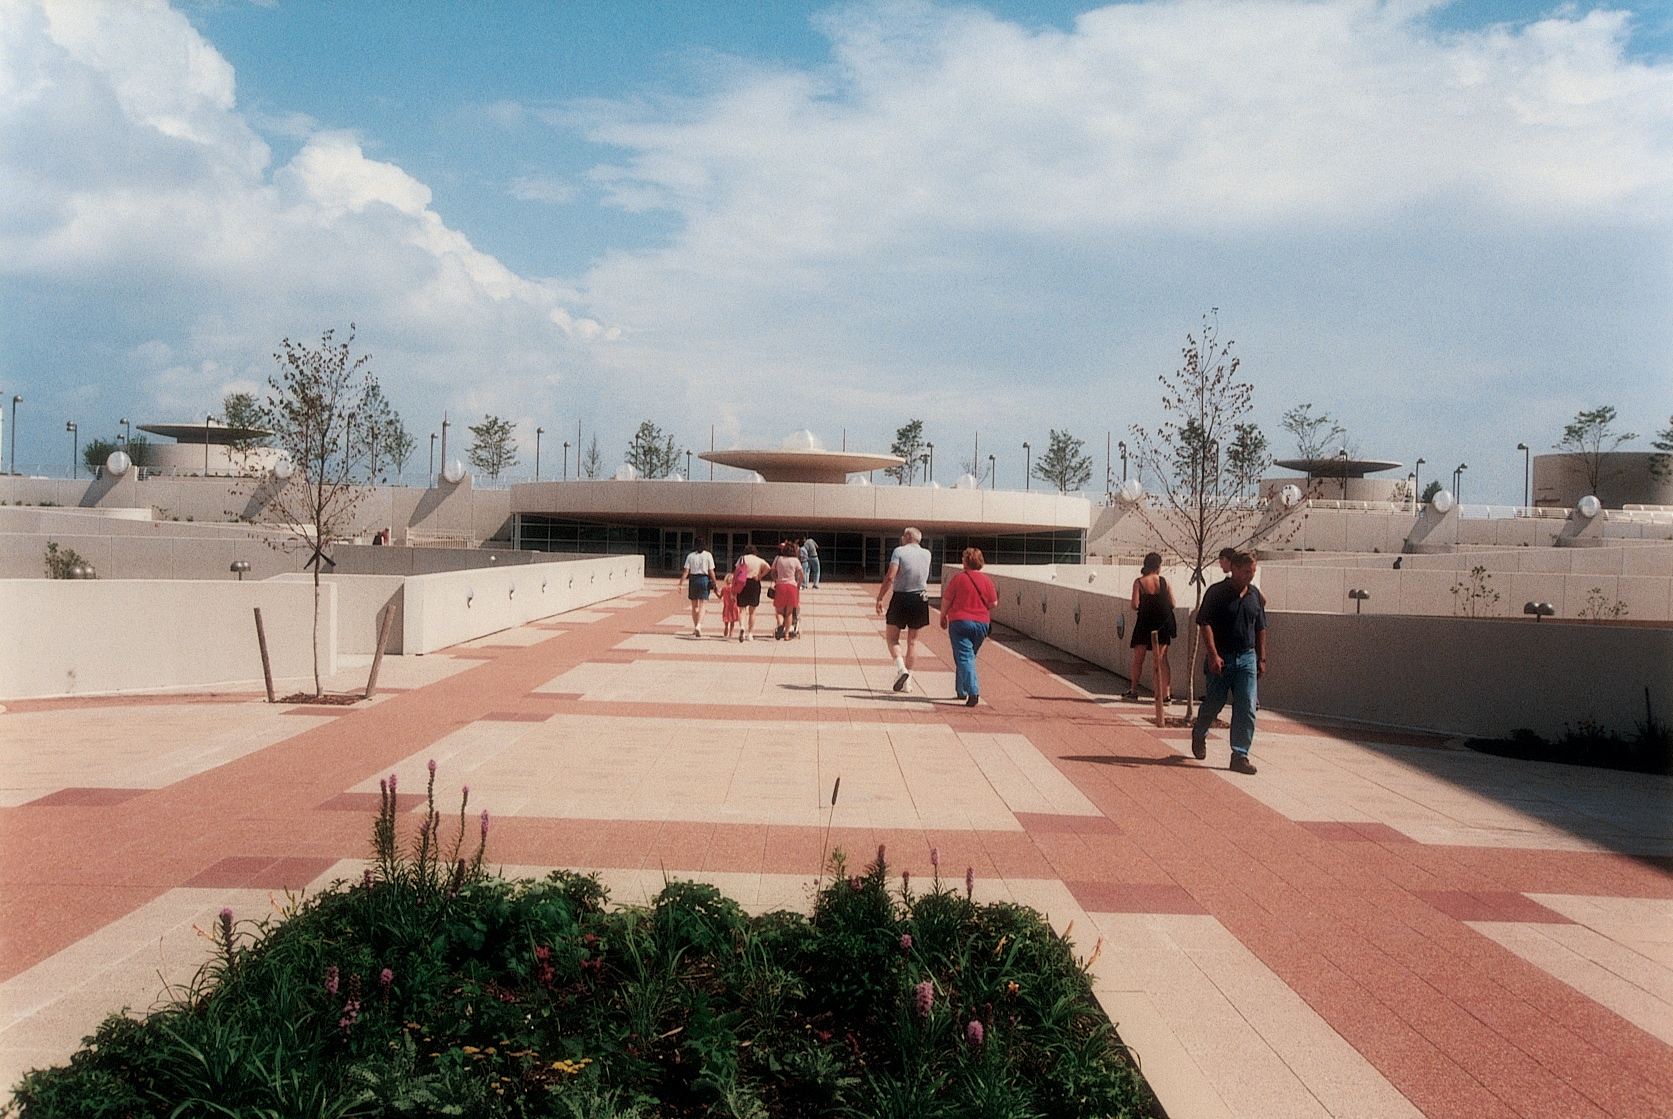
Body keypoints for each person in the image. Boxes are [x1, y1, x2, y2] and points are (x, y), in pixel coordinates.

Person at [1191, 551, 1266, 774]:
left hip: (1247, 658)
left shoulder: (1255, 596)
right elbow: (1204, 623)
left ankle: (1240, 755)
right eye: (1246, 571)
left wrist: (1261, 658)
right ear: (1233, 569)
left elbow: (1261, 627)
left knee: (1247, 707)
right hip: (1222, 658)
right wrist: (1213, 654)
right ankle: (1199, 732)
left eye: (1253, 572)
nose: (1250, 576)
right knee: (1214, 703)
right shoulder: (1217, 593)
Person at [875, 527, 932, 692]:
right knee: (913, 641)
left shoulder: (899, 551)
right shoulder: (927, 554)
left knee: (892, 638)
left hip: (901, 597)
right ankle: (908, 683)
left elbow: (891, 576)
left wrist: (880, 597)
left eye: (903, 535)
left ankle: (901, 669)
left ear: (907, 537)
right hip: (920, 598)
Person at [940, 547, 998, 707]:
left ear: (966, 562)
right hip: (982, 624)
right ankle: (961, 690)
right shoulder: (987, 580)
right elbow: (993, 603)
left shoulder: (958, 579)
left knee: (964, 656)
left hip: (960, 622)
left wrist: (942, 616)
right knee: (968, 656)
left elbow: (946, 600)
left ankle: (973, 692)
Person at [1125, 552, 1176, 703]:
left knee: (1138, 659)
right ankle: (1166, 694)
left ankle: (1134, 690)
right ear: (1158, 566)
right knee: (1162, 660)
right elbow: (1173, 603)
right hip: (1161, 624)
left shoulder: (1139, 582)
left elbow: (1134, 605)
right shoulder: (1164, 582)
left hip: (1144, 623)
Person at [768, 542, 805, 640]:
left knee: (779, 611)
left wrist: (776, 580)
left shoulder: (778, 559)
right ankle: (787, 634)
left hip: (780, 586)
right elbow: (802, 575)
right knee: (789, 612)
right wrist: (799, 584)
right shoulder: (795, 560)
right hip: (792, 586)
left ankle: (780, 624)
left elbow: (772, 571)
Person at [733, 545, 770, 641]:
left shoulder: (742, 558)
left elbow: (737, 571)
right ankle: (750, 633)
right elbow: (768, 567)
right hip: (754, 583)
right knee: (752, 610)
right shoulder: (758, 560)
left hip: (743, 583)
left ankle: (742, 627)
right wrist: (760, 576)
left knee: (742, 609)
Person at [718, 568, 742, 639]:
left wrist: (716, 592)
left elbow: (720, 597)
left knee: (726, 618)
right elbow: (736, 597)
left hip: (726, 606)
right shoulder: (734, 589)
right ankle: (731, 632)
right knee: (732, 620)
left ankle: (726, 627)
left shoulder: (724, 588)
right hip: (733, 606)